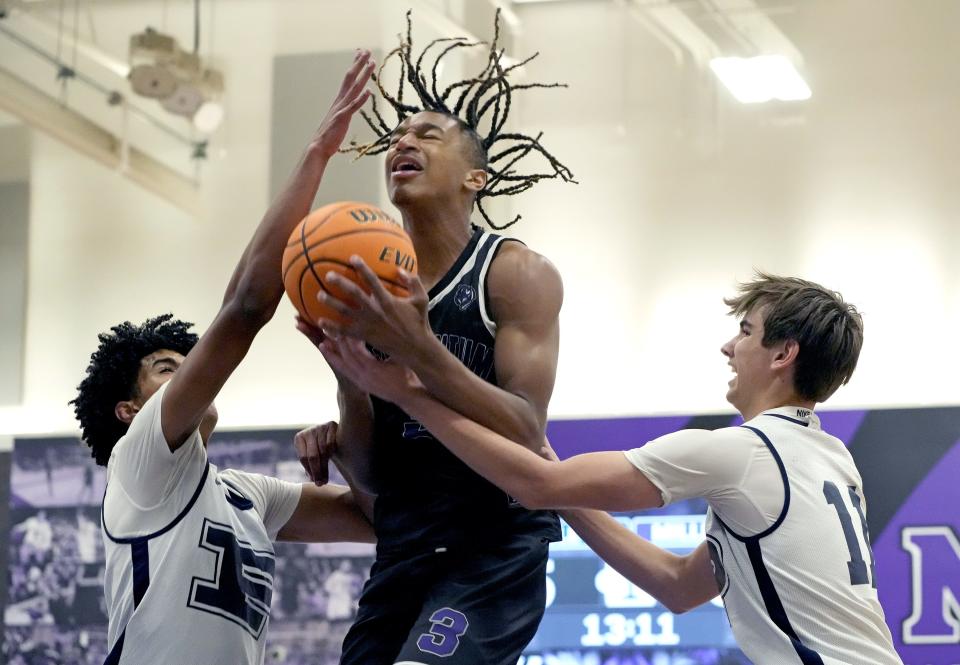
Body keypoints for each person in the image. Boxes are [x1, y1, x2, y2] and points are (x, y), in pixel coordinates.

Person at [318, 273, 904, 665]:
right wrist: (551, 474)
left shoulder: (742, 452)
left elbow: (532, 486)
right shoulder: (830, 457)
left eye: (745, 332)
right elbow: (678, 587)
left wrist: (411, 392)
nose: (729, 348)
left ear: (784, 354)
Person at [69, 52, 377, 665]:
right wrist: (316, 153)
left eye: (187, 363)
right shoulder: (141, 463)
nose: (188, 372)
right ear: (130, 411)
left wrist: (348, 405)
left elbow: (371, 518)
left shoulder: (244, 495)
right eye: (165, 368)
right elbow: (242, 310)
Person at [294, 12, 575, 665]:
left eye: (427, 133)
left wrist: (418, 349)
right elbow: (374, 477)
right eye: (396, 135)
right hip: (406, 547)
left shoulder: (515, 274)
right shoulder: (370, 290)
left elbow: (526, 429)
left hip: (492, 548)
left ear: (476, 177)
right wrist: (347, 379)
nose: (403, 142)